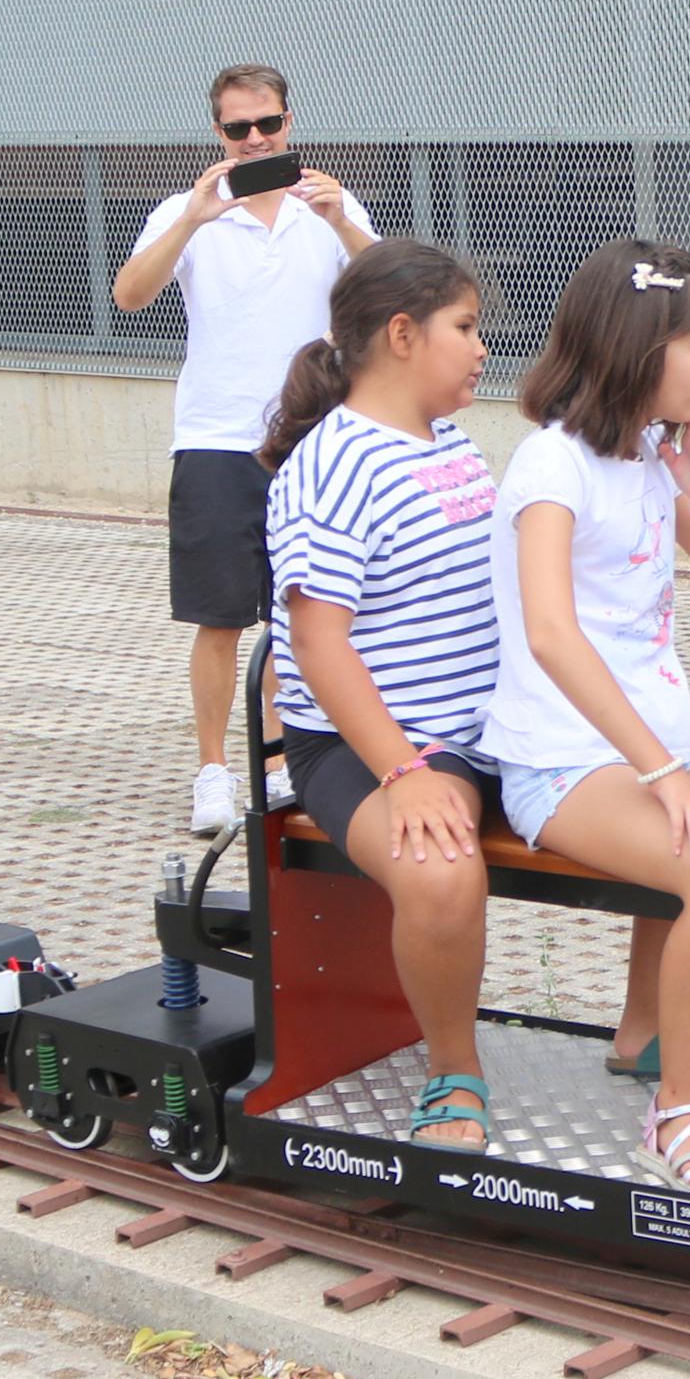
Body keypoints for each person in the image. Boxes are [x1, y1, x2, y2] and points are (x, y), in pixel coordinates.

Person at [475, 239, 690, 1202]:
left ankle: (650, 1031)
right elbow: (549, 634)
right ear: (637, 345)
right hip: (562, 765)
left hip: (661, 739)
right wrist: (670, 778)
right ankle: (679, 1108)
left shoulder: (649, 457)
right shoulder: (552, 466)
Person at [259, 239, 506, 1152]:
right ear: (402, 335)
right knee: (441, 876)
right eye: (466, 328)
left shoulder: (448, 441)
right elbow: (318, 647)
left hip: (483, 732)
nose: (483, 348)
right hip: (367, 745)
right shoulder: (332, 468)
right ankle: (453, 1071)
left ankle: (644, 1033)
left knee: (669, 805)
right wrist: (402, 771)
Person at [112, 61, 379, 835]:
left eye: (267, 125)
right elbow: (130, 295)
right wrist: (193, 219)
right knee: (219, 614)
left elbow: (394, 292)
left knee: (298, 612)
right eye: (238, 129)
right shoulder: (185, 210)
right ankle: (212, 771)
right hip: (216, 437)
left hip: (311, 438)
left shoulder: (327, 205)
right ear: (218, 134)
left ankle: (274, 763)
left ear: (289, 124)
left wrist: (340, 221)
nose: (255, 139)